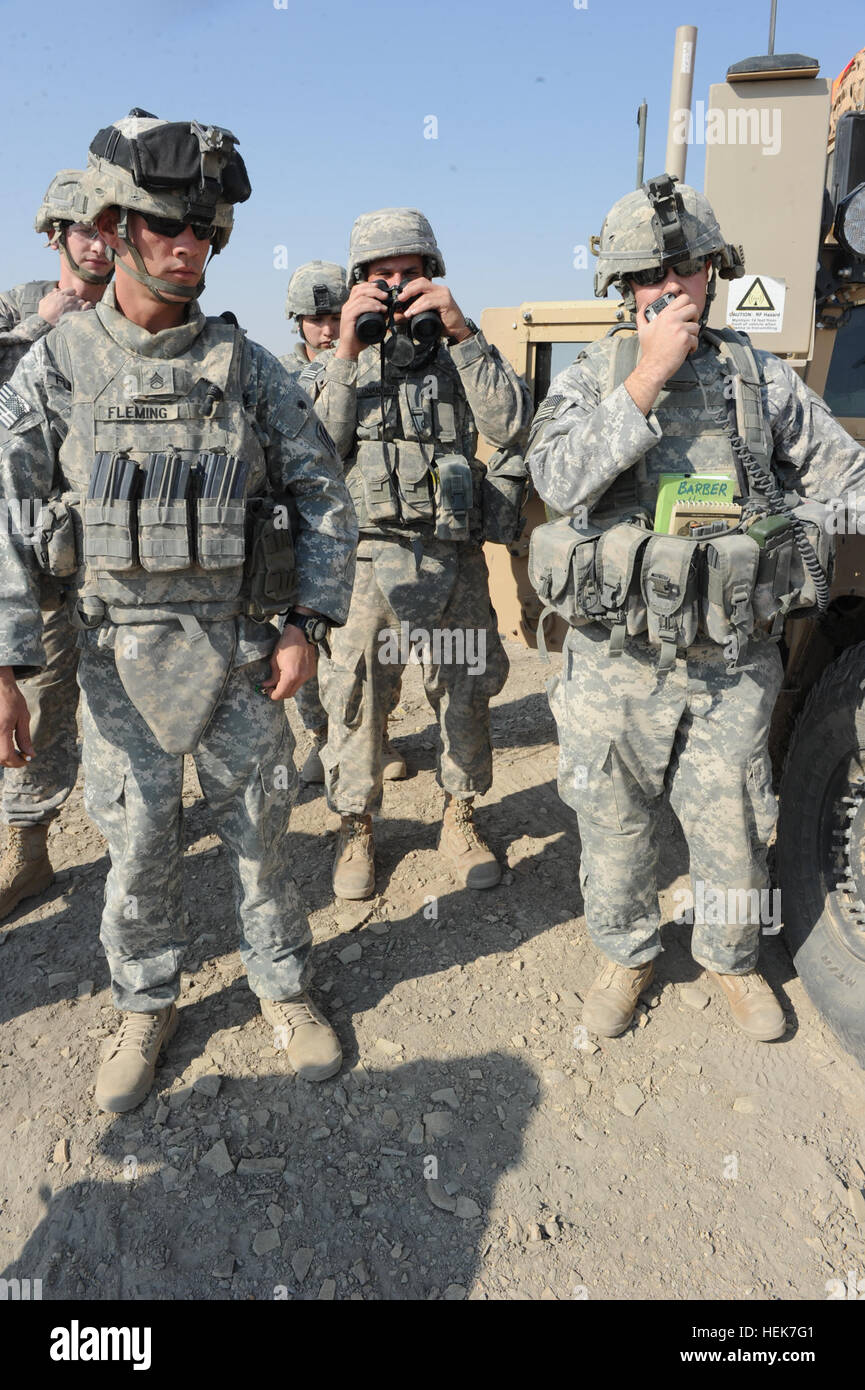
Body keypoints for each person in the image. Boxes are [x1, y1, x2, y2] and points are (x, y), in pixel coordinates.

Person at [0, 112, 357, 1112]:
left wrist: (306, 622)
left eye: (205, 229)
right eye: (169, 225)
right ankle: (143, 1000)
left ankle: (282, 985)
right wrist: (5, 660)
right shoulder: (59, 368)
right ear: (113, 227)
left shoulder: (246, 371)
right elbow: (6, 510)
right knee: (139, 846)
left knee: (263, 838)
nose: (190, 244)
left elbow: (325, 498)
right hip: (118, 662)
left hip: (241, 656)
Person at [526, 174, 865, 1042]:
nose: (668, 287)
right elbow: (556, 479)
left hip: (729, 664)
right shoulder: (596, 376)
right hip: (615, 661)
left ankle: (731, 958)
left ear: (713, 269)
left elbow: (846, 484)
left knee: (732, 826)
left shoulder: (759, 379)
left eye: (684, 268)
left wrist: (783, 533)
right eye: (647, 276)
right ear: (623, 289)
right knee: (612, 825)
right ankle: (627, 952)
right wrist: (644, 378)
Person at [313, 207, 531, 900]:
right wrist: (346, 351)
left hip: (450, 556)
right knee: (354, 695)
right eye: (383, 278)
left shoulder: (462, 353)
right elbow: (316, 453)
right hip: (365, 561)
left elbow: (512, 426)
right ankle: (356, 826)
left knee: (463, 694)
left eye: (411, 274)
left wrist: (463, 334)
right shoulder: (336, 362)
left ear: (434, 276)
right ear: (358, 285)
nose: (399, 287)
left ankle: (460, 815)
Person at [0, 171, 113, 919]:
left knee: (129, 703)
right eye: (87, 232)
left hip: (120, 551)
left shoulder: (145, 313)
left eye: (114, 229)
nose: (102, 246)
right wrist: (37, 326)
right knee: (40, 704)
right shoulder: (18, 305)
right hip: (39, 555)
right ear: (55, 237)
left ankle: (140, 840)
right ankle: (30, 849)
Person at [282, 260, 407, 785]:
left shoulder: (370, 365)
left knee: (374, 652)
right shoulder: (282, 376)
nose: (329, 329)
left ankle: (374, 735)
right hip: (302, 535)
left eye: (336, 315)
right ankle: (320, 736)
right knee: (309, 642)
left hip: (363, 536)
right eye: (316, 319)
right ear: (297, 322)